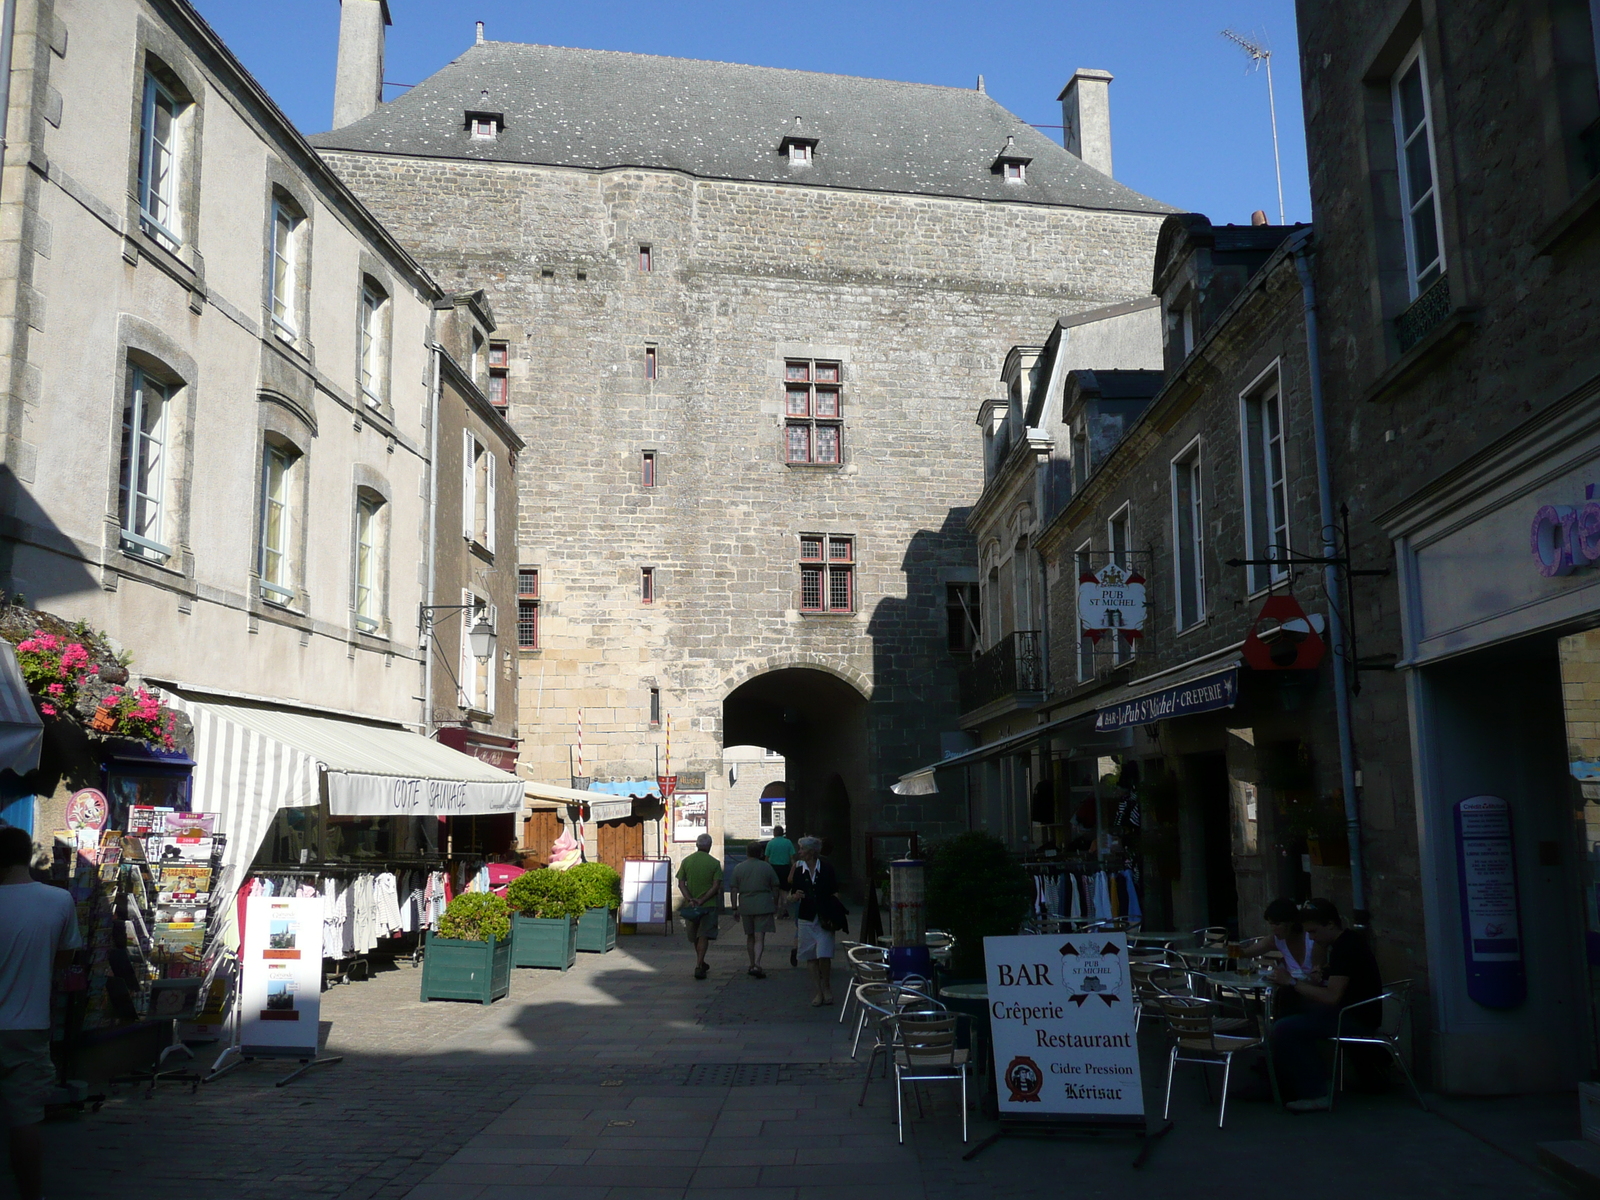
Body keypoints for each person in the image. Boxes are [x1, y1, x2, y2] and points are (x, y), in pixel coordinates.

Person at [0, 826, 81, 1200]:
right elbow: (62, 960)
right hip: (29, 1025)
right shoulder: (58, 901)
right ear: (26, 856)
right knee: (25, 1121)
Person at [1268, 897, 1383, 1111]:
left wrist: (1291, 982)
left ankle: (1316, 1092)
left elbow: (1332, 997)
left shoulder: (1345, 948)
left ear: (1330, 925)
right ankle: (1283, 1081)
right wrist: (1322, 977)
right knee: (1290, 1014)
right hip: (1351, 1011)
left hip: (1356, 1017)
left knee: (1286, 1028)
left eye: (1313, 932)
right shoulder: (1344, 943)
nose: (1312, 938)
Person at [1240, 897, 1322, 1017]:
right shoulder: (1275, 939)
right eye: (1271, 924)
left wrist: (1290, 979)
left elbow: (1317, 978)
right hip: (1291, 996)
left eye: (1277, 924)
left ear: (1291, 922)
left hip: (1314, 996)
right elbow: (1246, 953)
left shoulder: (1312, 940)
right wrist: (1228, 949)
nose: (1273, 929)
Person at [787, 836, 842, 1007]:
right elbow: (790, 895)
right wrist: (794, 897)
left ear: (811, 851)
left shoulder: (826, 868)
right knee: (810, 956)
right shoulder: (798, 869)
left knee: (824, 955)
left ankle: (826, 986)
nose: (799, 852)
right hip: (805, 916)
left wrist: (835, 912)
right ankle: (818, 991)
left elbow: (835, 892)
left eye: (802, 849)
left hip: (824, 917)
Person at [729, 842, 780, 979]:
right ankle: (757, 963)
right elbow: (775, 886)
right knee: (759, 936)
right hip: (763, 903)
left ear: (747, 853)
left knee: (750, 935)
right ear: (761, 853)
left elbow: (734, 889)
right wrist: (775, 904)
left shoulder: (739, 868)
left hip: (746, 904)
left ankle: (751, 963)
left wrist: (734, 907)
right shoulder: (766, 867)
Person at [676, 833, 723, 980]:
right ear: (709, 846)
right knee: (703, 935)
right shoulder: (714, 863)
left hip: (691, 906)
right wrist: (702, 900)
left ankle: (700, 962)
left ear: (697, 845)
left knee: (695, 935)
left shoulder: (687, 861)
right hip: (708, 905)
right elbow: (716, 886)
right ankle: (699, 964)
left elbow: (681, 883)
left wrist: (690, 899)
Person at [765, 825, 796, 920]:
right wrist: (794, 869)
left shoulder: (770, 843)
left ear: (774, 833)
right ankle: (784, 908)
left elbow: (766, 858)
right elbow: (792, 858)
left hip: (774, 868)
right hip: (785, 868)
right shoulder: (788, 842)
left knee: (775, 890)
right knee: (784, 890)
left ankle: (777, 910)